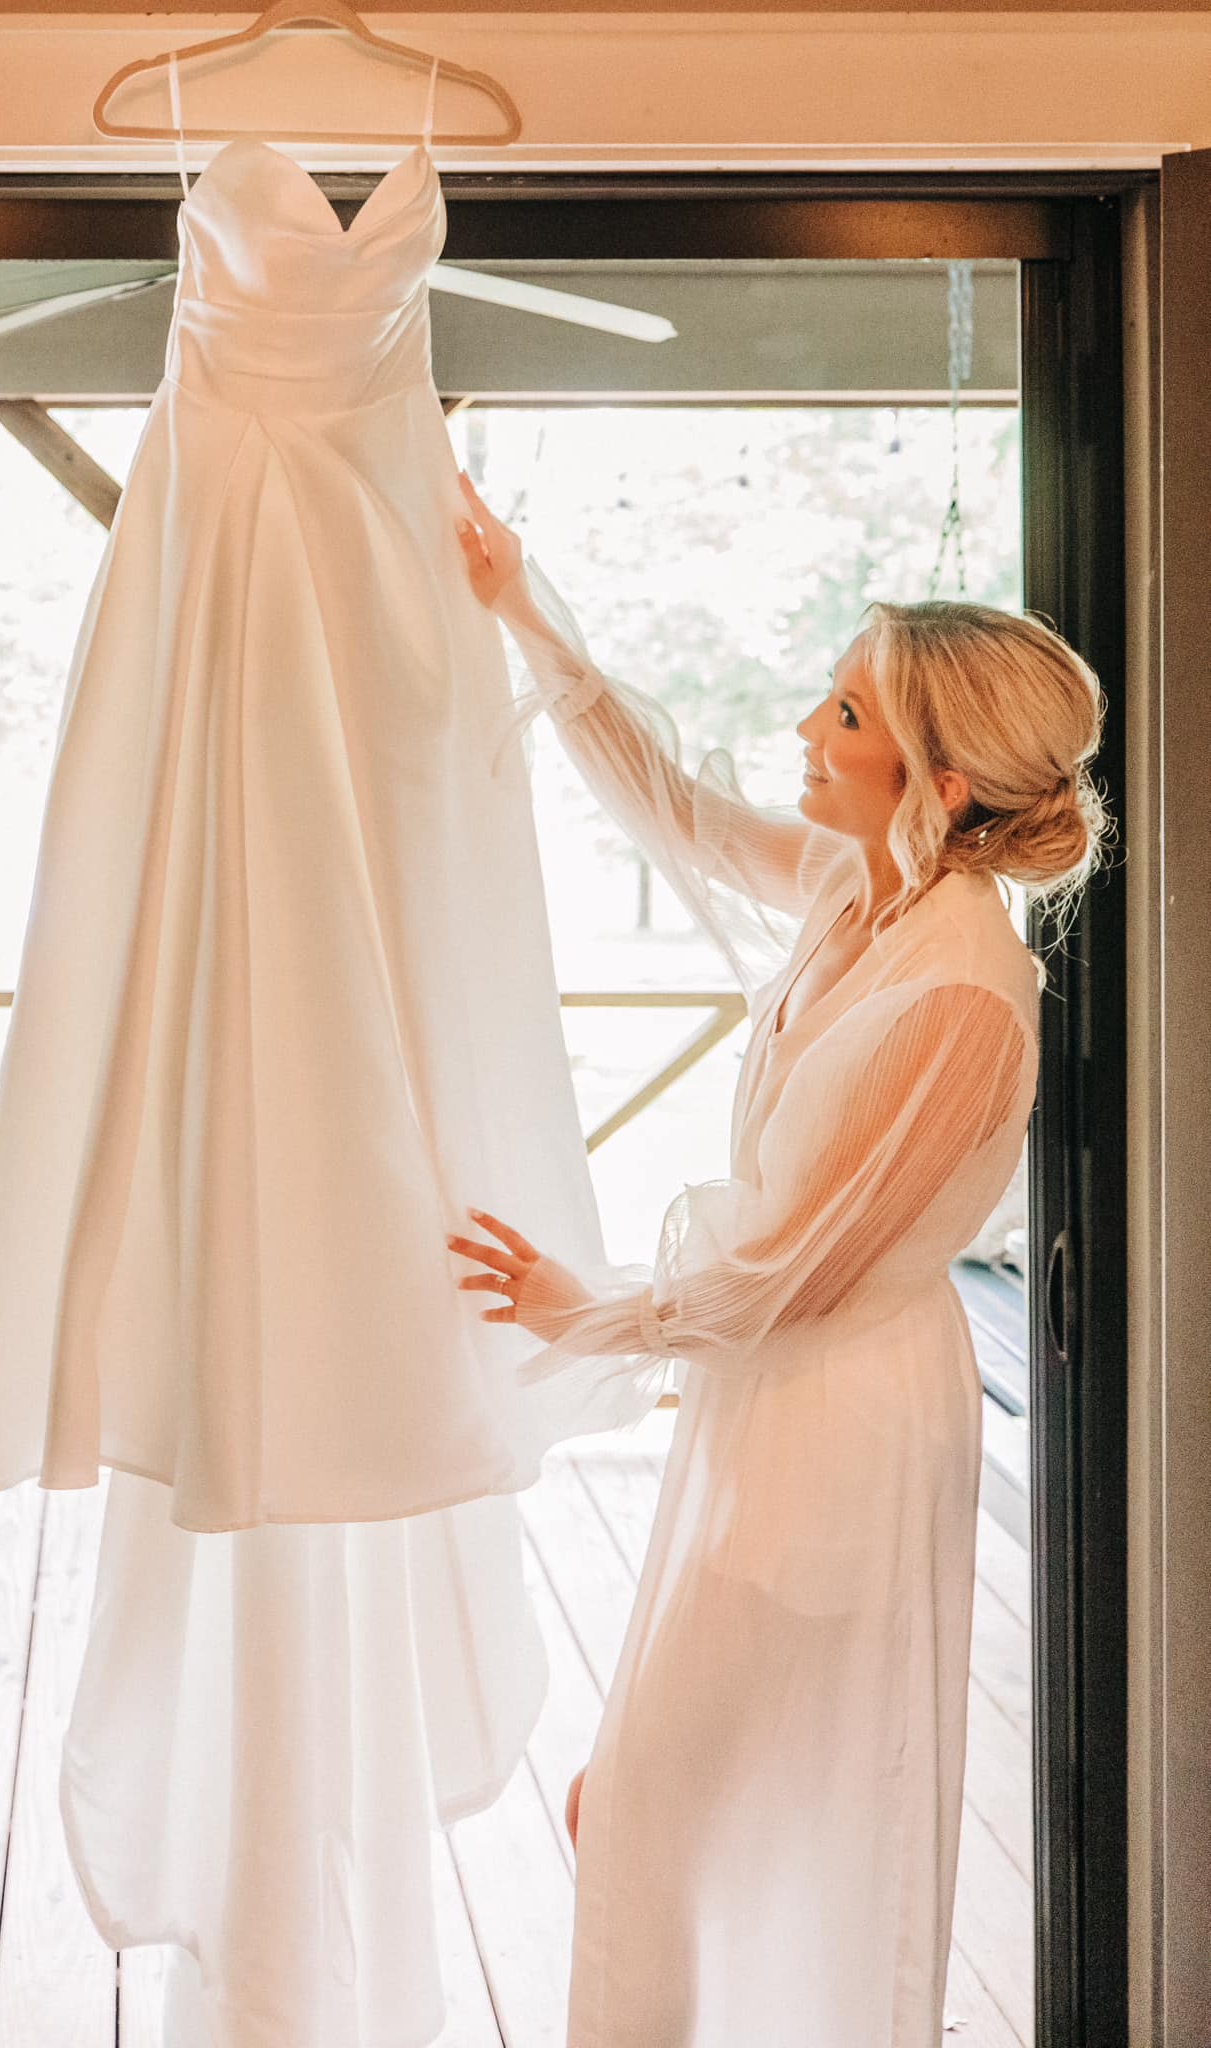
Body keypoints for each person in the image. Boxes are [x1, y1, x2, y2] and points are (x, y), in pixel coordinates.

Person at [447, 469, 1111, 2048]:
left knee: (653, 1809)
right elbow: (669, 804)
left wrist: (590, 1311)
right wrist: (524, 607)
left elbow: (798, 1271)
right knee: (669, 1812)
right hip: (770, 1406)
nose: (805, 730)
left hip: (843, 1426)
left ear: (940, 782)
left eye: (844, 713)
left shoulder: (958, 996)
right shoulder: (847, 889)